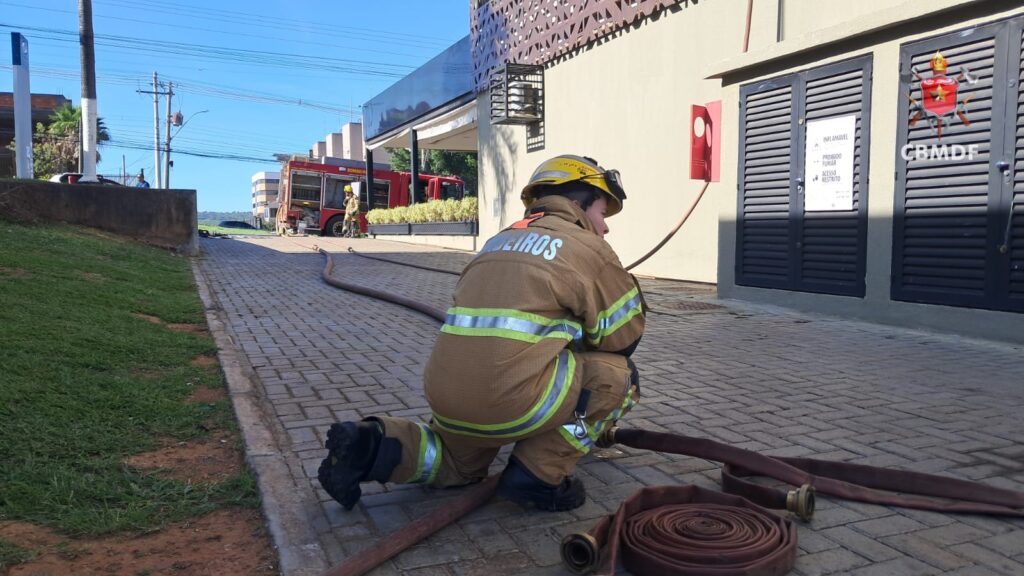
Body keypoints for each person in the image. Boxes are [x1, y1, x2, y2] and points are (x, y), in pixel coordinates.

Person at [318, 155, 645, 511]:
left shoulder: (496, 242)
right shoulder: (588, 248)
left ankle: (371, 444)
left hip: (448, 399)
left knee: (454, 465)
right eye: (601, 211)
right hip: (510, 402)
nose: (605, 226)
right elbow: (622, 340)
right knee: (618, 378)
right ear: (577, 202)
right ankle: (537, 475)